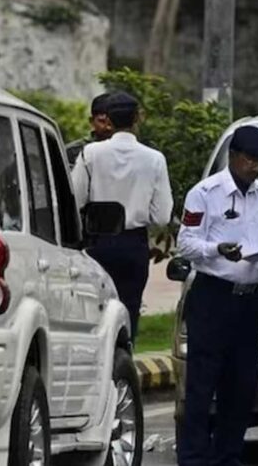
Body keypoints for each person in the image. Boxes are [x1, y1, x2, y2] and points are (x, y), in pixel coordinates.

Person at [176, 126, 258, 466]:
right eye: (250, 160)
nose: (255, 168)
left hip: (249, 300)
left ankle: (228, 456)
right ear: (233, 156)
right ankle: (193, 458)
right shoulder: (205, 193)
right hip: (213, 296)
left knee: (242, 384)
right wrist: (217, 249)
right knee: (203, 383)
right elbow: (185, 243)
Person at [71, 91, 173, 341]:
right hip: (133, 245)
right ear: (137, 118)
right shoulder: (155, 159)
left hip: (97, 241)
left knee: (94, 312)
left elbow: (76, 199)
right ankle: (123, 359)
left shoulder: (90, 153)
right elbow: (162, 216)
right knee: (129, 311)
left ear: (108, 120)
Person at [66, 92, 115, 165]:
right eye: (102, 121)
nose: (108, 127)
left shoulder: (127, 151)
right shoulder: (74, 152)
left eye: (112, 121)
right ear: (92, 121)